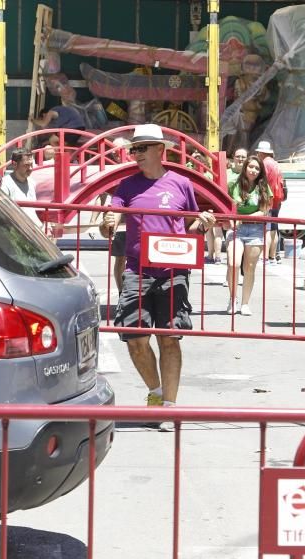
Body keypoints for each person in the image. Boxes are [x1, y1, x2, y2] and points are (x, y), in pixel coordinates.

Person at [99, 124, 215, 427]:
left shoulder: (181, 184)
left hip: (173, 271)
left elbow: (189, 227)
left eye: (141, 148)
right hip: (137, 270)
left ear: (159, 150)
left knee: (170, 339)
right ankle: (156, 392)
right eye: (133, 149)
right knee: (135, 339)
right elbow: (107, 226)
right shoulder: (125, 186)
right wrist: (108, 221)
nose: (135, 154)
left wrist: (203, 223)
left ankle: (169, 406)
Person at [224, 155, 272, 316]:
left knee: (249, 268)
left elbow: (264, 210)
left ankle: (245, 303)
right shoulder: (234, 184)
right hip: (236, 229)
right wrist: (229, 219)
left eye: (257, 168)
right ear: (245, 167)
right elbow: (225, 205)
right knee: (233, 263)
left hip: (255, 229)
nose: (253, 170)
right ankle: (232, 299)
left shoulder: (263, 187)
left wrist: (243, 218)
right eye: (251, 167)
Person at [254, 141, 285, 264]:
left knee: (266, 228)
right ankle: (273, 256)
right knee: (273, 228)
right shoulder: (275, 164)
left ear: (261, 153)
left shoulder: (265, 164)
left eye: (258, 153)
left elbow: (261, 181)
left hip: (268, 198)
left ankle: (265, 257)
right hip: (277, 198)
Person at [0, 149, 41, 227]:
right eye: (26, 165)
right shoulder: (5, 184)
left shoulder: (32, 182)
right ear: (15, 164)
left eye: (31, 165)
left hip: (37, 230)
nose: (30, 168)